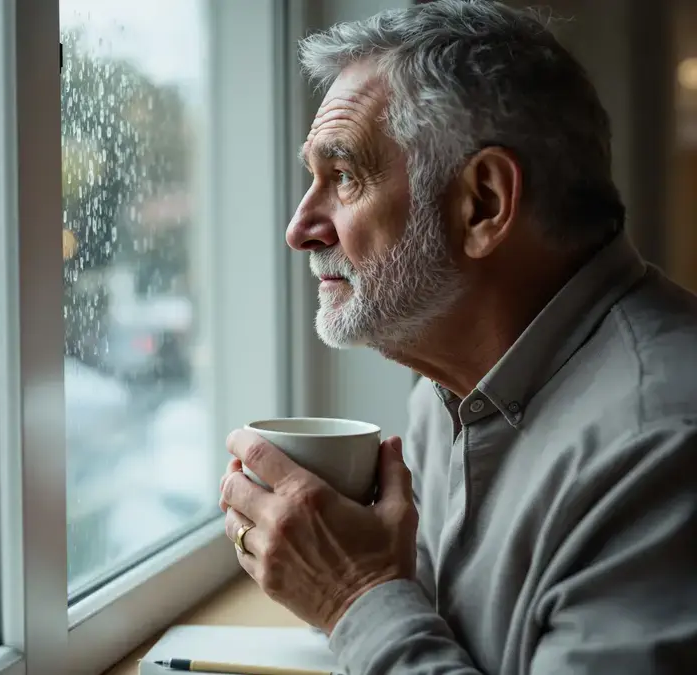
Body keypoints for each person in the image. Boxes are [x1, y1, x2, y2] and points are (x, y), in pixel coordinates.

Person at [217, 1, 697, 673]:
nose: (300, 227)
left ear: (484, 203)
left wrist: (355, 597)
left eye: (344, 175)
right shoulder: (444, 394)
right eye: (311, 177)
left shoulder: (663, 445)